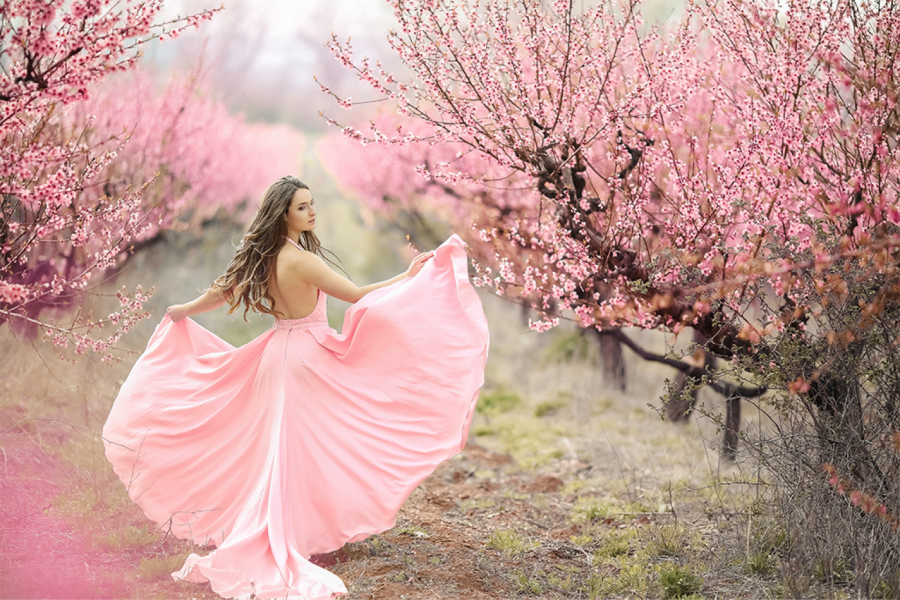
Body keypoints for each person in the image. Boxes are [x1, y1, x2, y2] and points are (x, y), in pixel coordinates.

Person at [103, 176, 489, 600]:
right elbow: (356, 295)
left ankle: (289, 526)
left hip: (274, 354)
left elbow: (223, 289)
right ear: (284, 213)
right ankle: (290, 531)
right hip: (305, 357)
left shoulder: (261, 256)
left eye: (311, 204)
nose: (312, 212)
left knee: (279, 449)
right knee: (312, 443)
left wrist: (185, 310)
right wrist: (407, 276)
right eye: (302, 207)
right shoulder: (300, 259)